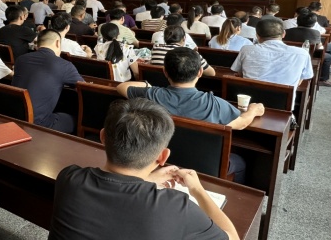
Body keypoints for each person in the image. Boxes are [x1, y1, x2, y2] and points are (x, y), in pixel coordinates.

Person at [49, 98, 239, 240]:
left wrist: (147, 179)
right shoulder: (176, 207)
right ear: (163, 157)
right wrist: (197, 190)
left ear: (103, 137)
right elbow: (232, 237)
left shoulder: (69, 178)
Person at [117, 47, 266, 183]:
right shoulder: (216, 104)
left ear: (165, 72)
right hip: (204, 169)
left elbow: (122, 87)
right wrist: (253, 110)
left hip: (158, 159)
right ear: (200, 72)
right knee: (240, 163)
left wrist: (147, 85)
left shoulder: (151, 95)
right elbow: (241, 123)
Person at [12, 29, 83, 134]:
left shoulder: (21, 59)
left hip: (14, 117)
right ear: (58, 43)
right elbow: (83, 87)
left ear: (37, 44)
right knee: (76, 119)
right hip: (39, 124)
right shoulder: (64, 65)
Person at [231, 19, 313, 106]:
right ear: (284, 34)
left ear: (257, 35)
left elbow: (239, 73)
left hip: (248, 103)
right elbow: (302, 79)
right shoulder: (302, 53)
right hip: (283, 106)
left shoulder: (246, 50)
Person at [284, 12, 331, 86]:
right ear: (314, 24)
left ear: (297, 21)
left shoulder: (287, 31)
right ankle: (323, 79)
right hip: (308, 57)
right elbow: (319, 47)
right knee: (328, 57)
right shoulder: (315, 33)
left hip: (288, 56)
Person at [147, 26, 215, 76]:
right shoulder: (191, 54)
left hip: (158, 86)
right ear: (184, 38)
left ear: (164, 38)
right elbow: (212, 73)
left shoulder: (155, 49)